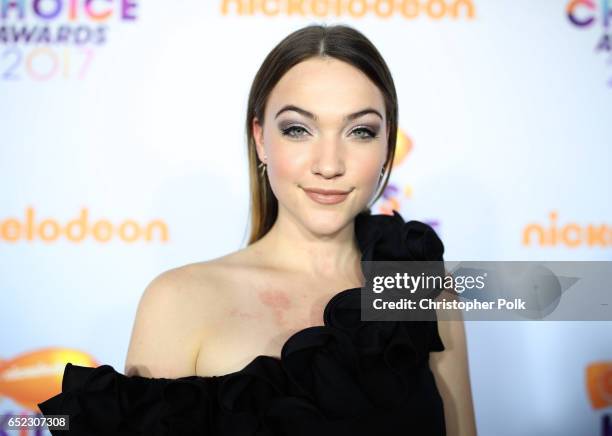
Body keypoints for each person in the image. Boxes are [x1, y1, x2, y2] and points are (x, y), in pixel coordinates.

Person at [38, 24, 476, 435]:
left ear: (386, 147)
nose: (329, 164)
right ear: (261, 138)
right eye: (298, 129)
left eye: (360, 131)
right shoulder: (178, 299)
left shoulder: (423, 290)